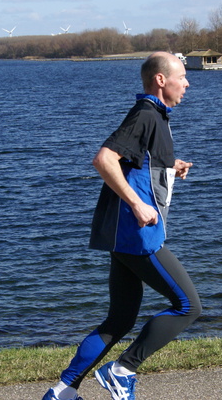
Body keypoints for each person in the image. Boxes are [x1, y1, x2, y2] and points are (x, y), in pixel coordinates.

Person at [42, 52, 202, 400]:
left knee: (119, 321)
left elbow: (135, 162)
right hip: (138, 234)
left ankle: (63, 391)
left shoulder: (155, 117)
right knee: (189, 306)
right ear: (161, 80)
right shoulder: (146, 115)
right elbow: (104, 160)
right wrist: (137, 203)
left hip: (124, 235)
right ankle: (122, 370)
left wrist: (170, 166)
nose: (188, 83)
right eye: (182, 76)